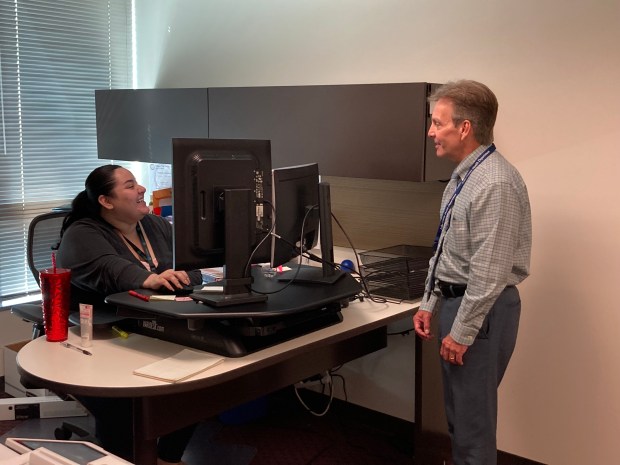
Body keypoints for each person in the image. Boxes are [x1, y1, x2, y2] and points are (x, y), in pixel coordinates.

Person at [413, 80, 532, 465]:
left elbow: (489, 271)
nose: (431, 132)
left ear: (465, 127)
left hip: (481, 309)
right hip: (458, 303)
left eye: (437, 123)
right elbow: (446, 249)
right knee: (460, 421)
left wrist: (462, 332)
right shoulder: (465, 177)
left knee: (473, 429)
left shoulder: (494, 182)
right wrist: (429, 303)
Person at [57, 164, 203, 465]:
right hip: (101, 336)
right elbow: (112, 269)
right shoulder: (81, 233)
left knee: (197, 386)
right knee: (124, 411)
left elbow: (192, 262)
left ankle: (167, 457)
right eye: (129, 184)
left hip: (152, 326)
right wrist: (150, 278)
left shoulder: (153, 225)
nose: (142, 189)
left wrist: (187, 273)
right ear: (106, 201)